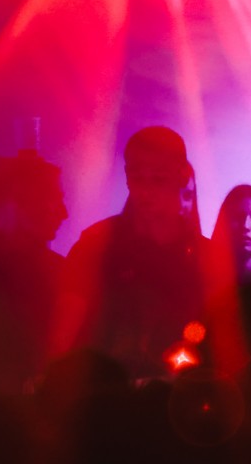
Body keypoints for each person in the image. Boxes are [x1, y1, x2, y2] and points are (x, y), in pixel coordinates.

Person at [52, 126, 216, 379]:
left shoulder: (205, 256)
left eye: (159, 179)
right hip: (108, 389)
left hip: (181, 390)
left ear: (182, 176)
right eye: (137, 177)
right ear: (127, 176)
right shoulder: (97, 244)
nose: (146, 190)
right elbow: (65, 325)